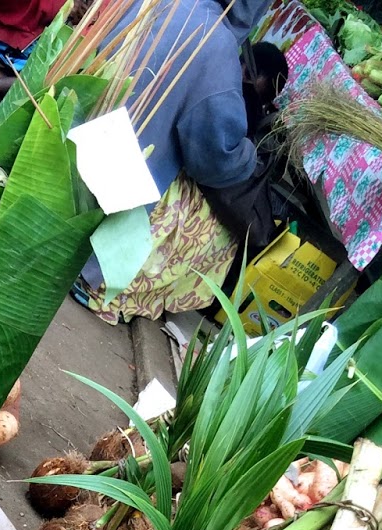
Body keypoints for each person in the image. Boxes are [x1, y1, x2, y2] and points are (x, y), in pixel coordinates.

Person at [78, 0, 290, 322]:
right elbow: (214, 159)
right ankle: (103, 280)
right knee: (217, 226)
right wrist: (248, 156)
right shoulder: (216, 46)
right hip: (109, 188)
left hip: (73, 137)